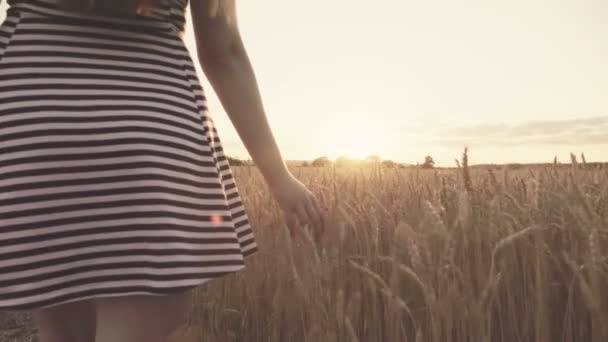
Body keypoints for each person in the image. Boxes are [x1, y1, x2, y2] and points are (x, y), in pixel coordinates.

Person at [0, 0, 324, 341]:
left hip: (26, 118)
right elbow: (223, 51)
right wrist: (278, 177)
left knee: (64, 328)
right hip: (147, 125)